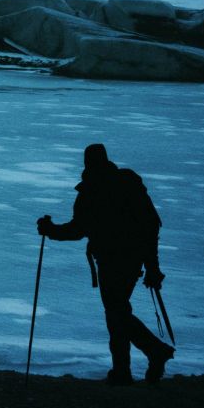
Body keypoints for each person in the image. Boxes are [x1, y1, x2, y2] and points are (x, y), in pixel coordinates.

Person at [37, 142, 174, 384]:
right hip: (133, 260)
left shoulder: (91, 191)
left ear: (87, 163)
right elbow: (151, 225)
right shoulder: (129, 184)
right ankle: (124, 370)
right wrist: (152, 266)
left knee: (116, 312)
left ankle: (151, 354)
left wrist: (50, 230)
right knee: (117, 312)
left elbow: (78, 230)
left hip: (111, 261)